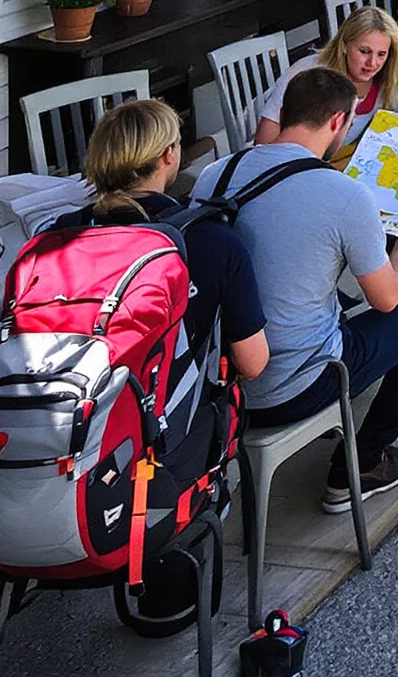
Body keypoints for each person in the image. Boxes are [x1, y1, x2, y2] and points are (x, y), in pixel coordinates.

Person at [194, 66, 398, 512]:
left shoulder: (216, 175)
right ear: (340, 121)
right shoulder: (343, 193)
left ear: (283, 112)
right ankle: (364, 461)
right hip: (296, 385)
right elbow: (388, 298)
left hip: (222, 386)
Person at [80, 99, 269, 629]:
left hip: (60, 452)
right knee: (220, 400)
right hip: (155, 456)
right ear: (170, 155)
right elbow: (253, 363)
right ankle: (173, 566)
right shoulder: (209, 238)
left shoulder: (54, 235)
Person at [252, 5, 398, 148]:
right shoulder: (307, 74)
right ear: (344, 45)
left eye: (382, 54)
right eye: (364, 51)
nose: (372, 63)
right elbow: (263, 144)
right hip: (290, 161)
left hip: (342, 160)